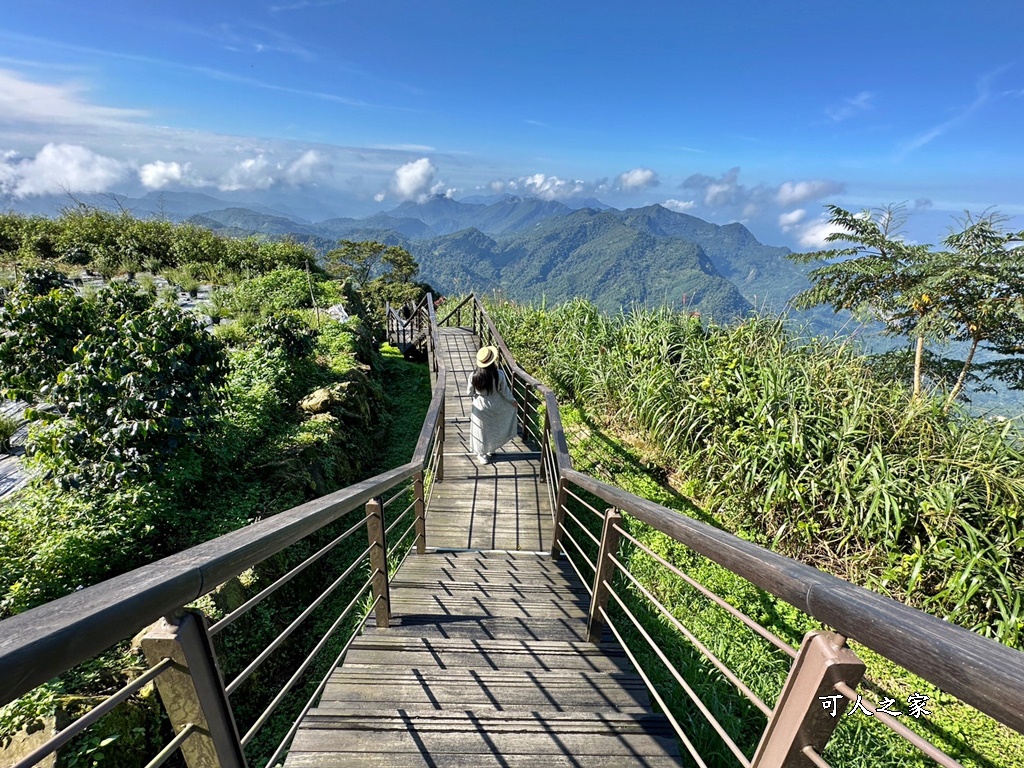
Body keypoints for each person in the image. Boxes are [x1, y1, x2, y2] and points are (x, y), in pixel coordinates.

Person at [467, 345, 518, 465]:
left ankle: (481, 454)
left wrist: (477, 396)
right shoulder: (499, 374)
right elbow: (504, 390)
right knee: (494, 426)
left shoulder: (473, 376)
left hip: (479, 406)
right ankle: (492, 448)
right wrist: (512, 401)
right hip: (496, 404)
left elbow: (469, 392)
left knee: (480, 430)